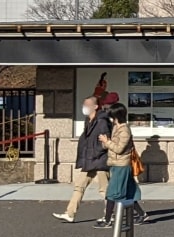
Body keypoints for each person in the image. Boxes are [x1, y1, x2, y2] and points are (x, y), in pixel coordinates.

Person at [54, 95, 114, 223]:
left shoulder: (102, 121)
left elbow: (105, 141)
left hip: (100, 159)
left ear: (95, 106)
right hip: (89, 160)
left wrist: (96, 152)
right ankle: (70, 213)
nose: (84, 107)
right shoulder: (89, 121)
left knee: (104, 189)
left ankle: (111, 213)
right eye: (84, 104)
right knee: (79, 185)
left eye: (87, 105)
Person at [100, 108, 145, 228]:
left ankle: (107, 220)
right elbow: (111, 145)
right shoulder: (116, 128)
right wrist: (105, 142)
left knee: (112, 193)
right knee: (129, 192)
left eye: (112, 117)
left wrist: (107, 142)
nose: (111, 119)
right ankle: (142, 214)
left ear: (116, 117)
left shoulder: (124, 130)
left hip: (122, 165)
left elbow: (119, 149)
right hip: (115, 164)